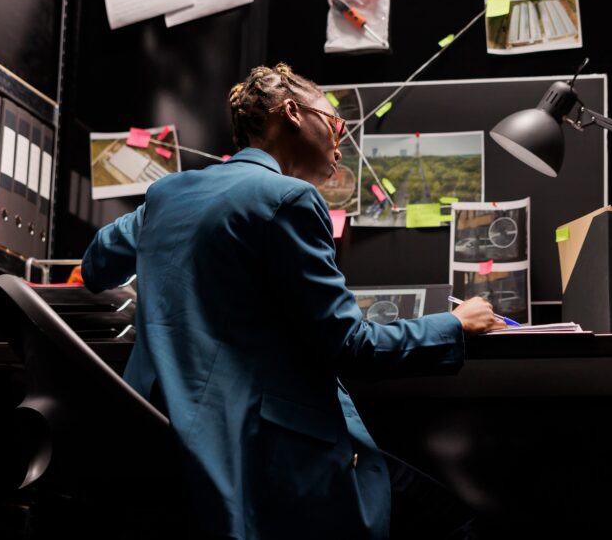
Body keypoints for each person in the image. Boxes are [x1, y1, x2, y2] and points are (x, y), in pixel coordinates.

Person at [82, 63, 503, 539]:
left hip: (155, 451)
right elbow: (352, 347)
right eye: (336, 124)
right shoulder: (289, 199)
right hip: (265, 458)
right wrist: (454, 324)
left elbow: (97, 267)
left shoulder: (169, 192)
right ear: (293, 114)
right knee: (457, 522)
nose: (341, 143)